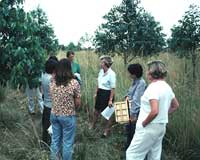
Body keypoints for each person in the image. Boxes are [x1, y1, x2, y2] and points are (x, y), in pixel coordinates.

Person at [126, 60, 179, 160]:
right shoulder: (167, 87)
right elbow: (175, 105)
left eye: (148, 70)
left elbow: (155, 111)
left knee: (133, 154)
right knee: (154, 155)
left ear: (151, 73)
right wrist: (162, 115)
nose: (146, 73)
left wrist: (144, 123)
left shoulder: (153, 88)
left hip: (148, 127)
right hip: (161, 127)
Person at [50, 58, 81, 160]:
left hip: (54, 114)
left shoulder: (53, 81)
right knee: (67, 143)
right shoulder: (74, 83)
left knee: (55, 140)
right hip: (67, 116)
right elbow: (78, 103)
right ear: (69, 68)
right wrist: (74, 108)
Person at [90, 55, 116, 137]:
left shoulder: (112, 74)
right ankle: (93, 126)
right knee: (96, 111)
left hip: (107, 94)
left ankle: (106, 130)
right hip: (100, 92)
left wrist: (110, 100)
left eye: (102, 62)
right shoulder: (101, 71)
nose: (100, 64)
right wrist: (96, 93)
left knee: (108, 113)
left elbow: (113, 88)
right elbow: (98, 83)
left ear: (105, 64)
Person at [125, 63, 146, 150]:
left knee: (133, 130)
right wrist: (126, 96)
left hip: (136, 111)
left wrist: (133, 114)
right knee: (128, 129)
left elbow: (137, 100)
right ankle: (128, 146)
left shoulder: (141, 83)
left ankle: (133, 149)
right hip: (130, 109)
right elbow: (130, 93)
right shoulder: (135, 81)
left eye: (130, 73)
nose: (129, 75)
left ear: (134, 74)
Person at [41, 58, 58, 146]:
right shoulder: (51, 79)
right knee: (51, 128)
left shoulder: (44, 76)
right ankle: (49, 145)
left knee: (45, 126)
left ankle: (44, 143)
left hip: (46, 105)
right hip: (51, 106)